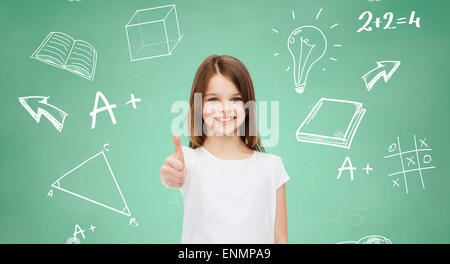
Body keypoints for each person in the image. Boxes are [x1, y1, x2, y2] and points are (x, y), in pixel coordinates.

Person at [160, 55, 289, 243]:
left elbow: (281, 239)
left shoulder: (272, 167)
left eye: (236, 98)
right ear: (199, 106)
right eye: (213, 99)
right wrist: (171, 176)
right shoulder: (188, 161)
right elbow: (171, 175)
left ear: (247, 106)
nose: (225, 108)